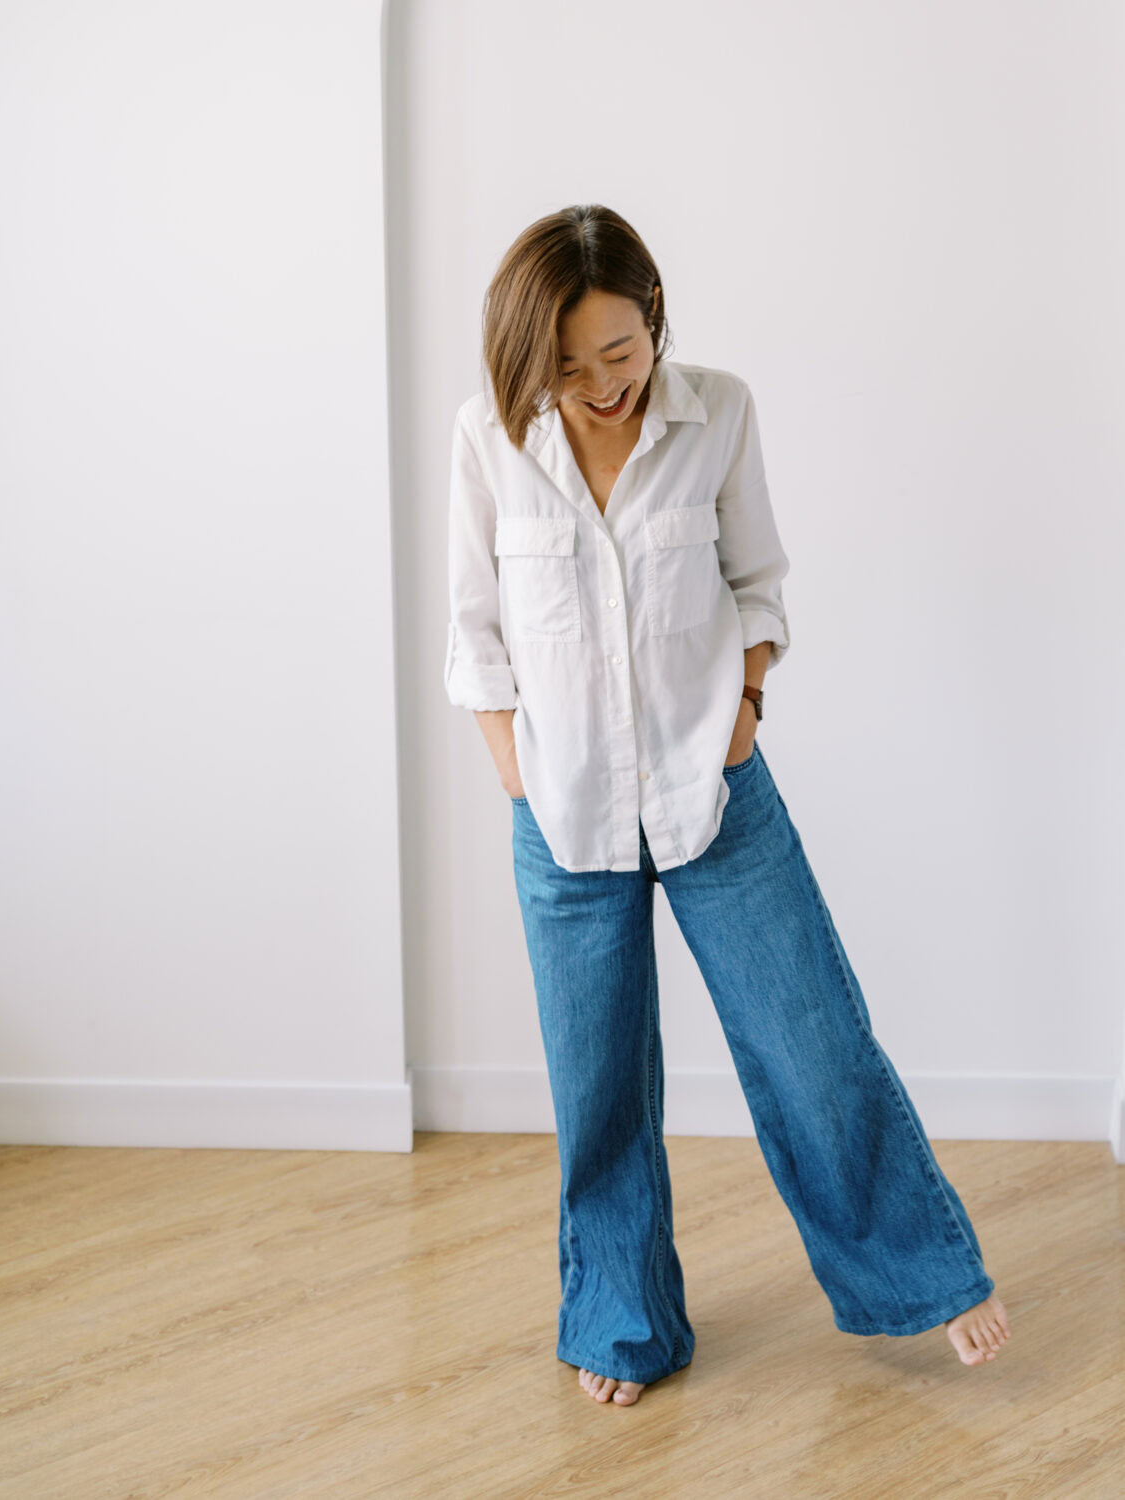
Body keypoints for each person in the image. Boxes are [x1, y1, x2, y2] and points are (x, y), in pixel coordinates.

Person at [444, 203, 1010, 1406]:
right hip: (564, 815)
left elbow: (758, 583)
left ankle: (923, 1274)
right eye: (568, 363)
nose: (602, 384)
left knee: (813, 1044)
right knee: (595, 1087)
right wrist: (513, 767)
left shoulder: (722, 412)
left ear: (653, 317)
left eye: (620, 351)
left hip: (715, 790)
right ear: (528, 358)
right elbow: (474, 634)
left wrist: (747, 704)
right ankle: (621, 1320)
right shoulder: (485, 443)